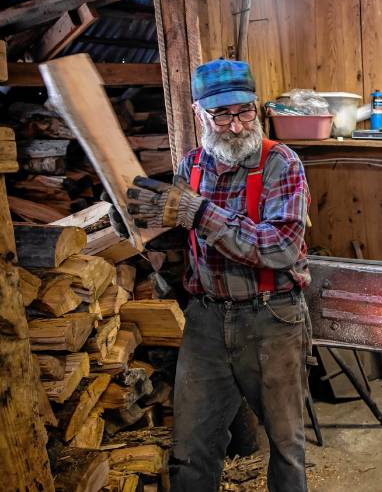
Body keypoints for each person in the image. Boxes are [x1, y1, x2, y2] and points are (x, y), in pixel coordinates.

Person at [124, 59, 312, 492]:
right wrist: (132, 222)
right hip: (206, 321)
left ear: (256, 106)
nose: (235, 125)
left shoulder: (281, 164)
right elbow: (175, 237)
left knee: (286, 448)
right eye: (221, 114)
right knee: (191, 448)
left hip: (272, 321)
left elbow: (280, 247)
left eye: (244, 111)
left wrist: (201, 213)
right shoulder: (191, 167)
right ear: (199, 113)